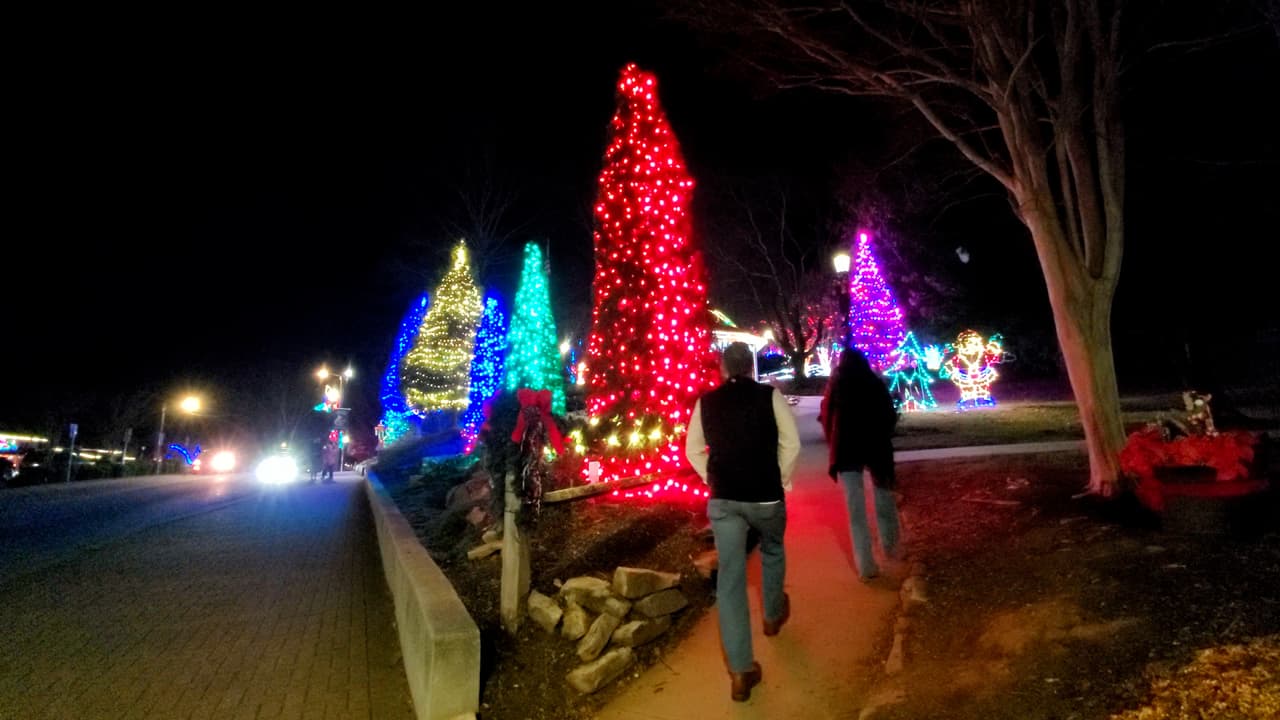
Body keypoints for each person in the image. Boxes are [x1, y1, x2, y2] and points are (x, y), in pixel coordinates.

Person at [686, 342, 801, 703]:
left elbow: (692, 448)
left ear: (722, 368)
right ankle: (771, 613)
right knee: (772, 549)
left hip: (725, 500)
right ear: (749, 367)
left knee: (731, 581)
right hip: (765, 496)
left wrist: (712, 477)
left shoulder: (706, 402)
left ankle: (740, 671)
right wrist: (779, 478)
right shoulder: (770, 396)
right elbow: (792, 443)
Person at [820, 348, 902, 580]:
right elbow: (889, 415)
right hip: (875, 446)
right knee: (883, 497)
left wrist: (832, 442)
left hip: (847, 449)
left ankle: (866, 566)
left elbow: (826, 417)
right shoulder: (874, 383)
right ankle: (891, 548)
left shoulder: (836, 386)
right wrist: (884, 435)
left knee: (856, 511)